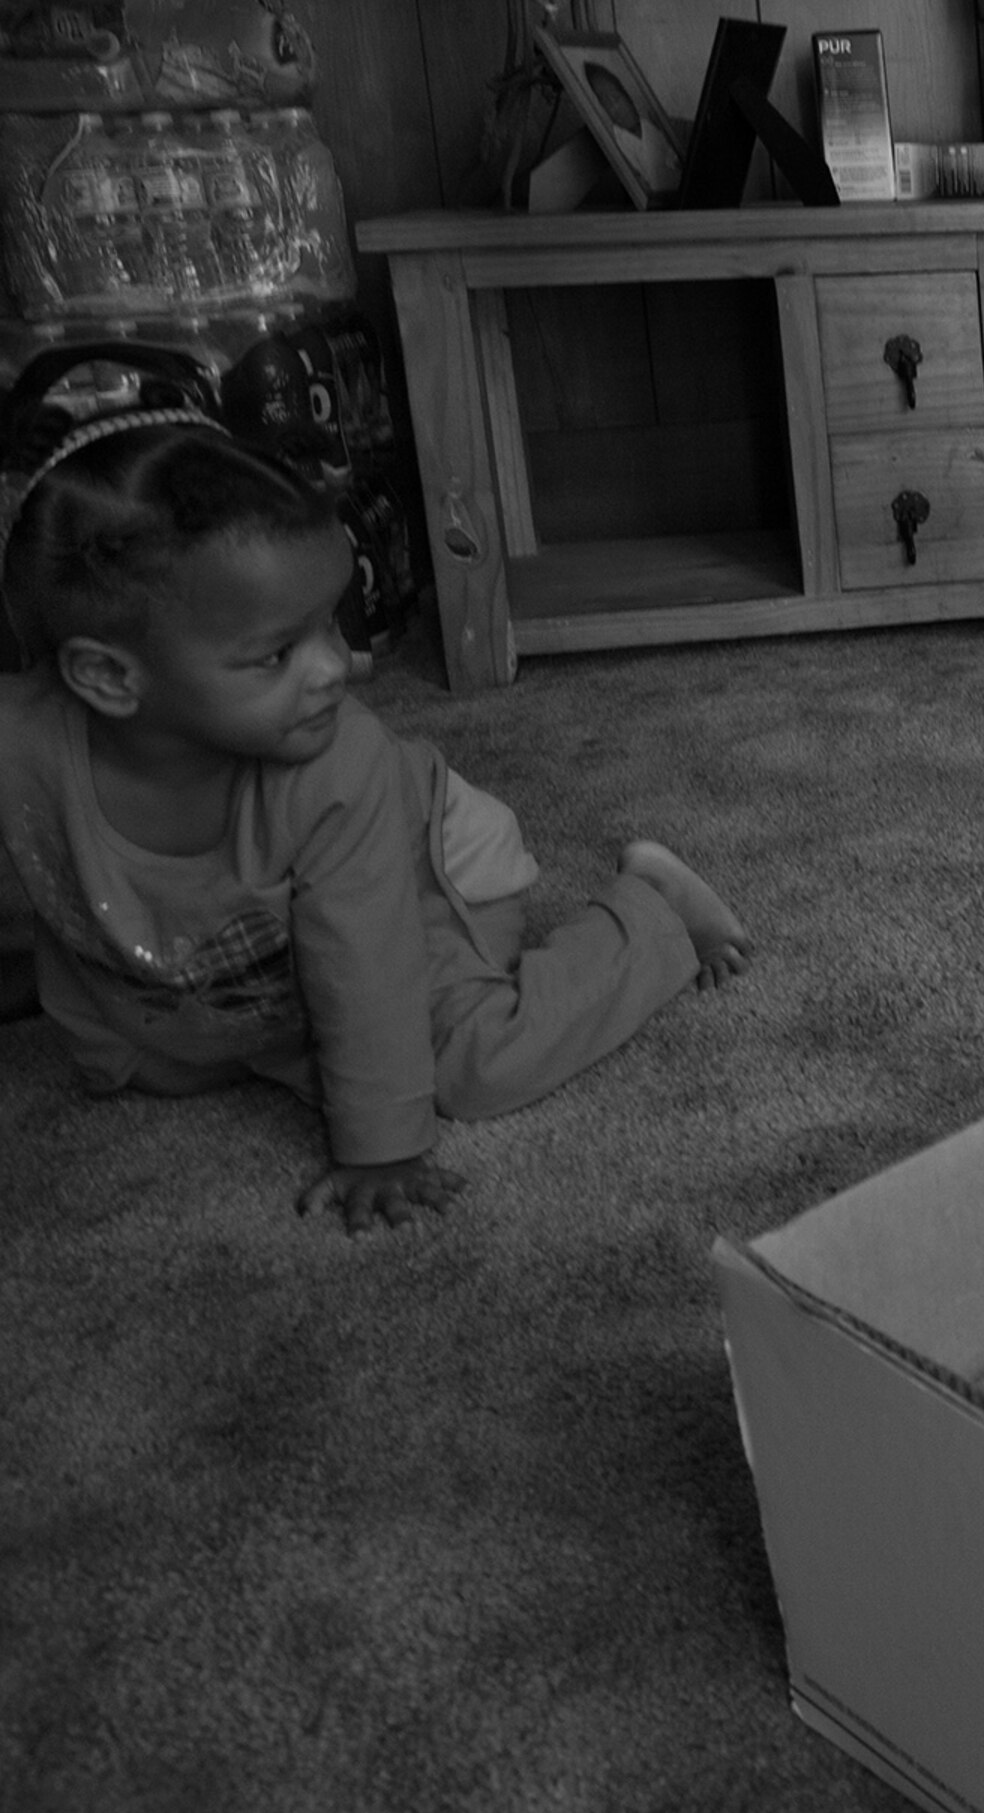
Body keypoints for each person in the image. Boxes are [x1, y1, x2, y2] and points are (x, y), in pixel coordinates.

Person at [0, 411, 750, 1230]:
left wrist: (380, 1145)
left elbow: (366, 964)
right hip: (247, 945)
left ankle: (653, 910)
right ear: (109, 678)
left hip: (429, 871)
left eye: (329, 623)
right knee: (135, 1060)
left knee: (467, 1067)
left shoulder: (337, 765)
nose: (339, 666)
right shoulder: (21, 743)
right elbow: (60, 864)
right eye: (276, 653)